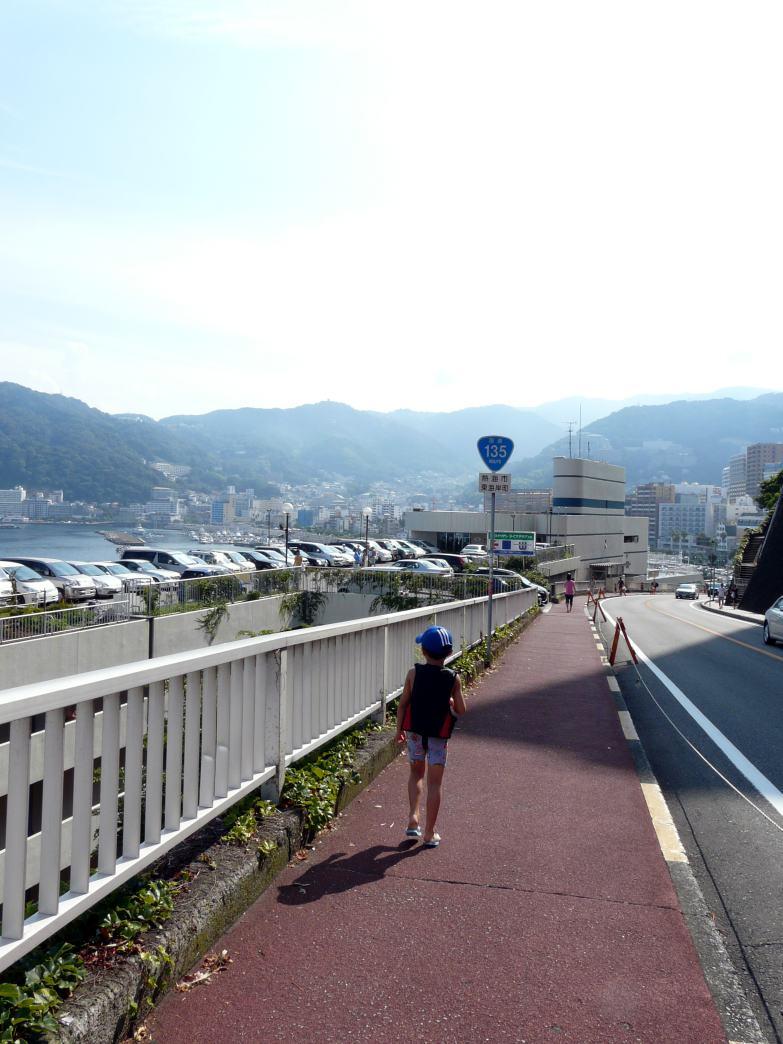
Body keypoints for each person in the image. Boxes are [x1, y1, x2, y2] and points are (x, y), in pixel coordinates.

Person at [395, 625, 466, 848]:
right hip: (438, 737)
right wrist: (451, 701)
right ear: (449, 652)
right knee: (435, 784)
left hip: (415, 733)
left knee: (416, 774)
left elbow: (403, 705)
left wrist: (398, 730)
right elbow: (461, 710)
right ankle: (429, 832)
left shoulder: (413, 674)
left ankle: (413, 818)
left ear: (423, 651)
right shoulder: (453, 678)